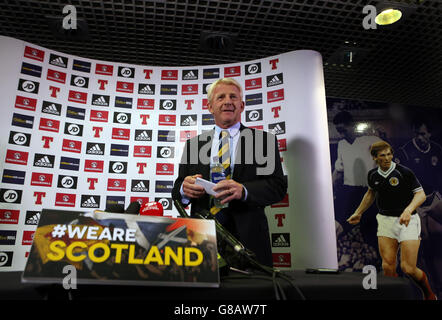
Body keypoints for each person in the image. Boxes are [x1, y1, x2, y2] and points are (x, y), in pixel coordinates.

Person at [172, 78, 287, 267]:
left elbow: (277, 187)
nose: (227, 101)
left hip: (249, 239)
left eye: (233, 96)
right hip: (201, 238)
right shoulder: (194, 145)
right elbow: (177, 190)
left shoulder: (263, 141)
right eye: (221, 97)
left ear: (241, 105)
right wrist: (185, 190)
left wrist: (244, 190)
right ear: (210, 106)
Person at [347, 140, 437, 300]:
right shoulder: (373, 175)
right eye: (383, 155)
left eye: (389, 154)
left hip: (408, 221)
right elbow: (370, 194)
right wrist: (358, 212)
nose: (387, 158)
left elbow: (421, 195)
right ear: (375, 158)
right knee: (388, 266)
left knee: (408, 268)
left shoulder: (404, 172)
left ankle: (429, 294)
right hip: (385, 220)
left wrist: (408, 210)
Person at [396, 118, 442, 195]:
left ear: (429, 133)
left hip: (434, 196)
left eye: (422, 134)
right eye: (416, 134)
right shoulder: (404, 152)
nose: (419, 137)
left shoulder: (437, 149)